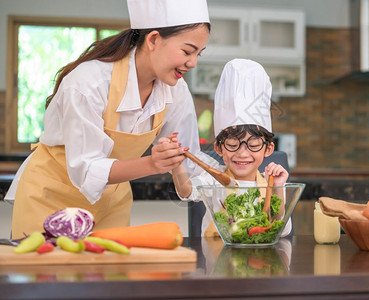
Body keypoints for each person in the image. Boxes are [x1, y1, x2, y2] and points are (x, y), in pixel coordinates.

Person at [7, 0, 210, 239]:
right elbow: (86, 168)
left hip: (111, 204)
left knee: (110, 273)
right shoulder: (88, 83)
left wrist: (234, 183)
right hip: (50, 198)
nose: (193, 63)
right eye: (187, 51)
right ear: (153, 39)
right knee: (48, 273)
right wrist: (153, 164)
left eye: (198, 53)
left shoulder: (176, 91)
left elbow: (190, 162)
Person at [164, 58, 291, 237]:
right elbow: (186, 192)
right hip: (217, 258)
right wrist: (175, 164)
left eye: (253, 145)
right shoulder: (214, 181)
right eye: (232, 145)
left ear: (268, 149)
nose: (242, 153)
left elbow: (282, 230)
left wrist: (277, 187)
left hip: (260, 260)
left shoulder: (269, 183)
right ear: (219, 148)